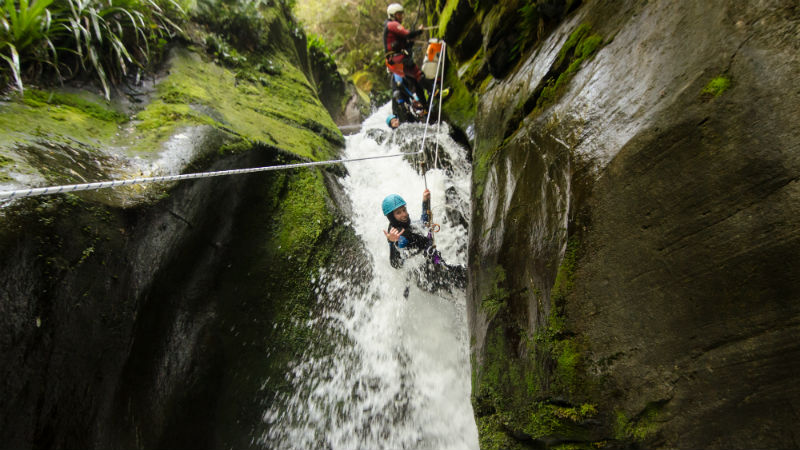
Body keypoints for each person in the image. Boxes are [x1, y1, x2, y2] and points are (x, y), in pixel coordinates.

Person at [382, 190, 466, 293]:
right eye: (398, 213)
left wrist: (426, 202)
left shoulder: (407, 226)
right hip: (428, 277)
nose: (404, 214)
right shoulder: (399, 236)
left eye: (404, 210)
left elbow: (424, 223)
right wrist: (392, 242)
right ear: (391, 217)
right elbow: (396, 264)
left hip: (431, 270)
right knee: (463, 276)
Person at [383, 3, 433, 108]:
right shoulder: (392, 25)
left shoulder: (391, 27)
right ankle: (436, 92)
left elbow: (405, 43)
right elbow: (407, 34)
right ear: (392, 15)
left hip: (394, 62)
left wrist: (410, 42)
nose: (401, 17)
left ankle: (425, 106)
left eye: (401, 14)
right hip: (398, 60)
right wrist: (419, 31)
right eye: (398, 15)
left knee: (415, 80)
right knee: (418, 75)